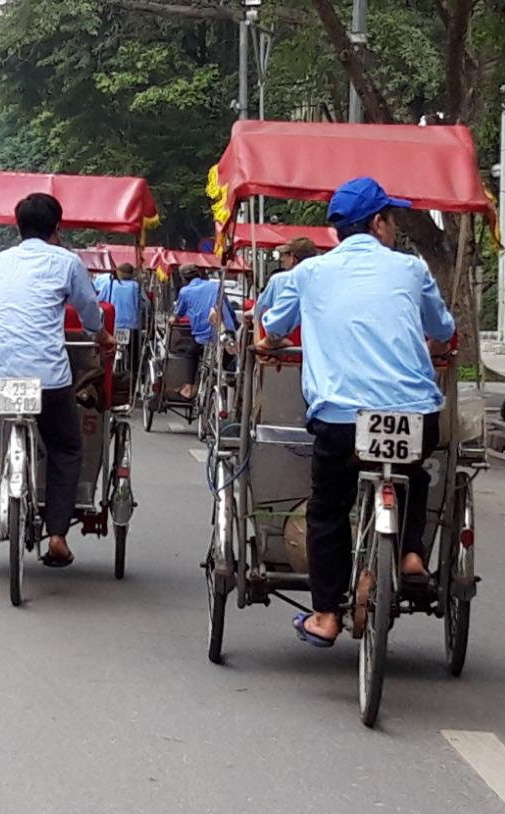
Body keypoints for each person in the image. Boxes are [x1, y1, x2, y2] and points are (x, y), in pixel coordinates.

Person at [258, 176, 455, 649]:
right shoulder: (411, 268)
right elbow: (443, 329)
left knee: (328, 508)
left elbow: (274, 327)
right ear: (378, 223)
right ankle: (410, 552)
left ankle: (326, 615)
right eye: (391, 219)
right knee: (413, 473)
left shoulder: (309, 273)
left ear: (337, 231)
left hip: (340, 421)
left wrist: (270, 342)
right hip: (414, 416)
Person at [0, 192, 114, 568]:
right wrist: (101, 336)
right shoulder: (68, 262)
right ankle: (57, 535)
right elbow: (90, 313)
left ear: (17, 227)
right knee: (66, 449)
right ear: (57, 227)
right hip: (49, 380)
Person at [172, 264, 237, 399]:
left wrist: (171, 321)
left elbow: (177, 315)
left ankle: (189, 386)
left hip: (201, 338)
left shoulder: (185, 292)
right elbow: (229, 311)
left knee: (190, 354)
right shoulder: (215, 286)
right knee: (229, 358)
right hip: (222, 335)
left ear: (183, 278)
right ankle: (229, 380)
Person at [253, 236, 320, 326]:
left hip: (282, 332)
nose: (282, 259)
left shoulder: (279, 280)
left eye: (284, 254)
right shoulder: (319, 280)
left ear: (292, 257)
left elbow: (260, 309)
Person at [98, 262, 145, 375]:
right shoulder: (135, 286)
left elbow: (99, 302)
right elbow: (144, 304)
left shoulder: (109, 284)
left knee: (106, 350)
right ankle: (134, 374)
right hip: (132, 325)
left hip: (113, 324)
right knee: (134, 353)